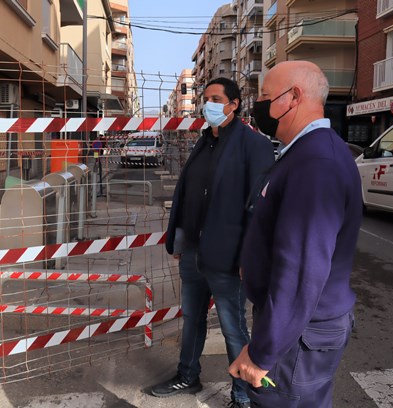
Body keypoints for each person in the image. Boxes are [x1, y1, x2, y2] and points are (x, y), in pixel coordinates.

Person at [228, 61, 363, 408]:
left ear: (294, 97)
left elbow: (301, 270)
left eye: (265, 96)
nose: (258, 105)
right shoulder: (305, 153)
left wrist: (261, 354)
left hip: (298, 335)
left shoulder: (316, 163)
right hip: (299, 329)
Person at [151, 77, 274, 408]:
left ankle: (243, 397)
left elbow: (261, 210)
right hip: (192, 253)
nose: (208, 105)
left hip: (228, 258)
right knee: (192, 320)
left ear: (233, 104)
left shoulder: (254, 145)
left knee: (233, 329)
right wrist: (179, 238)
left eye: (216, 98)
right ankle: (187, 375)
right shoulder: (203, 142)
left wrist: (248, 256)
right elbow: (188, 194)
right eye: (205, 99)